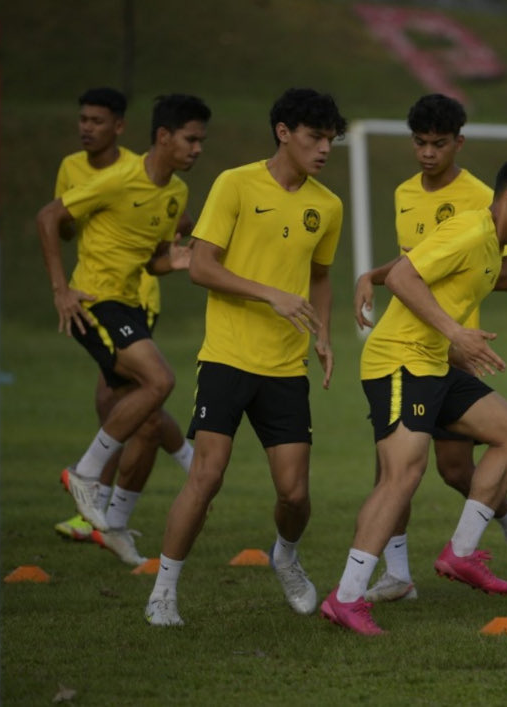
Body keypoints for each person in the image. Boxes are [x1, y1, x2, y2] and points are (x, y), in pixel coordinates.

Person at [322, 154, 507, 635]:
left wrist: (452, 344)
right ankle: (346, 598)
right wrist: (455, 332)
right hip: (398, 362)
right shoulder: (471, 231)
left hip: (434, 363)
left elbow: (418, 271)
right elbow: (403, 277)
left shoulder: (493, 246)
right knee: (401, 475)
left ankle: (463, 551)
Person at [144, 88, 346, 627]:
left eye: (330, 139)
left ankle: (286, 555)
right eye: (314, 137)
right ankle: (163, 589)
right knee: (207, 476)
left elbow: (321, 276)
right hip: (228, 357)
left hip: (285, 366)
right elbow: (203, 267)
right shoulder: (234, 183)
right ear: (283, 132)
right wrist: (271, 294)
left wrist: (323, 334)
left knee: (295, 494)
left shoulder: (328, 205)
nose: (325, 148)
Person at [353, 94, 507, 602]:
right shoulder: (403, 193)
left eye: (439, 144)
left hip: (457, 350)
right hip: (408, 347)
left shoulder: (487, 197)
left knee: (455, 470)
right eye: (420, 143)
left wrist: (451, 313)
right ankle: (396, 575)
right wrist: (373, 276)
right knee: (391, 470)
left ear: (459, 142)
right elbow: (413, 261)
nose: (429, 154)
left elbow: (503, 274)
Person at [37, 93, 210, 563]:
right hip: (97, 301)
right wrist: (60, 290)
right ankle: (86, 474)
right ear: (163, 136)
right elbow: (49, 216)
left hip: (131, 305)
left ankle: (112, 523)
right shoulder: (118, 179)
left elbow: (152, 260)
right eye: (190, 140)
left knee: (148, 417)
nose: (197, 149)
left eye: (201, 141)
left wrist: (175, 260)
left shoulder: (175, 193)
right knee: (161, 380)